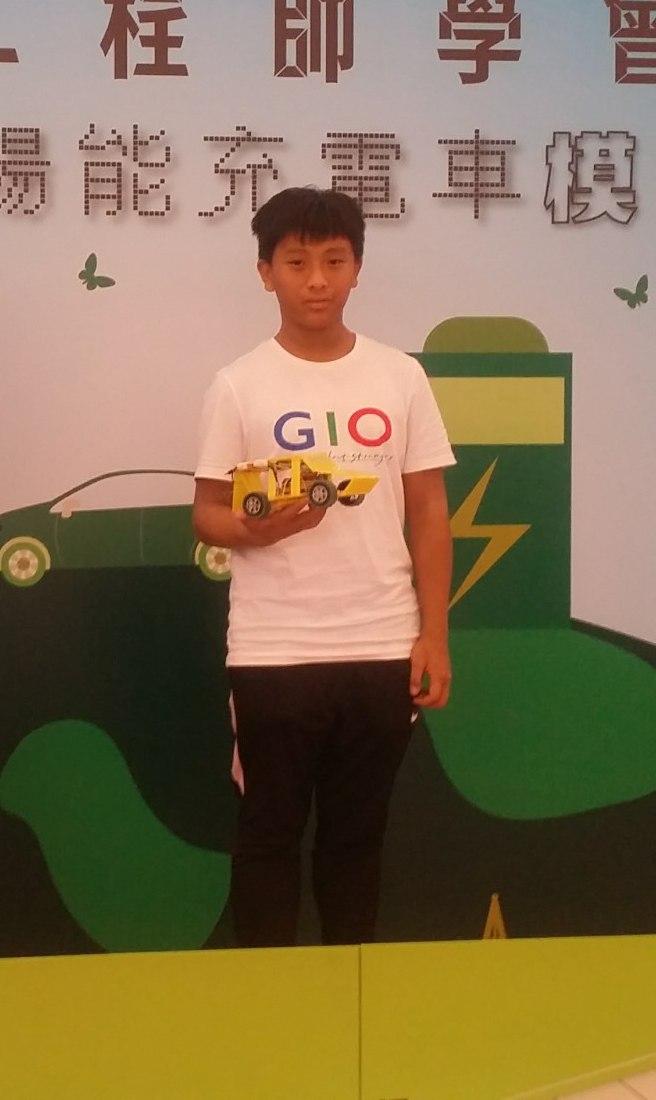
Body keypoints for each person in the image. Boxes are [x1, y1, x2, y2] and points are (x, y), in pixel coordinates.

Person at [190, 185, 454, 948]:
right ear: (265, 272)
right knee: (269, 835)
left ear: (357, 269)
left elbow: (429, 513)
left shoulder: (400, 377)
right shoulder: (239, 384)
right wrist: (260, 528)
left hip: (382, 646)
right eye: (297, 262)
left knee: (356, 839)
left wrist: (433, 635)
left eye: (334, 261)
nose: (316, 280)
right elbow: (207, 514)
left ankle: (349, 1000)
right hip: (274, 652)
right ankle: (271, 1005)